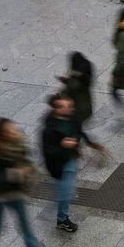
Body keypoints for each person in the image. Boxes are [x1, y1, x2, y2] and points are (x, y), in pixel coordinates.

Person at [0, 118, 40, 247]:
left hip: (15, 193)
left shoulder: (20, 143)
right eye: (10, 130)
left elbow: (28, 160)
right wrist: (19, 173)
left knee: (25, 227)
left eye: (14, 128)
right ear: (3, 135)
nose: (15, 131)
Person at [41, 95, 81, 233]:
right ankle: (62, 220)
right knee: (65, 194)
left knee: (68, 190)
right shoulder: (49, 130)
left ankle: (64, 196)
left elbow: (78, 131)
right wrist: (63, 144)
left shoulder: (71, 118)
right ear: (56, 109)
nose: (69, 109)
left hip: (70, 159)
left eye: (70, 106)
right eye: (65, 107)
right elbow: (48, 151)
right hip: (58, 166)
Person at [57, 52, 105, 152]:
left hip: (77, 111)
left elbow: (63, 94)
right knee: (78, 128)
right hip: (87, 107)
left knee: (75, 130)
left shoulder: (74, 82)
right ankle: (84, 144)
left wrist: (65, 82)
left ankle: (76, 147)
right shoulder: (87, 72)